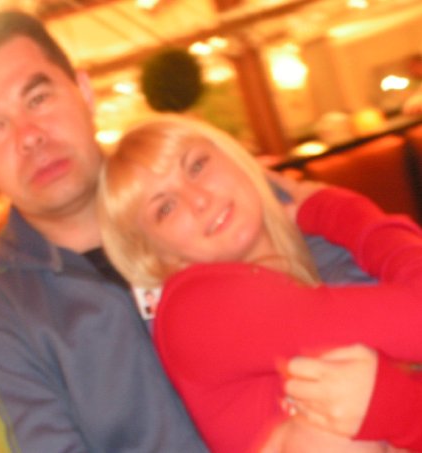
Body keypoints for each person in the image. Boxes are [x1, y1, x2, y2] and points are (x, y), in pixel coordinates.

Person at [0, 9, 398, 453]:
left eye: (39, 98)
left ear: (84, 92)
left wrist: (380, 394)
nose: (29, 135)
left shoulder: (205, 187)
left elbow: (372, 288)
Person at [97, 114, 422, 452]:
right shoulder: (197, 308)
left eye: (197, 166)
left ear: (235, 158)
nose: (198, 199)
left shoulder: (323, 261)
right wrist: (330, 207)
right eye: (165, 208)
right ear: (157, 254)